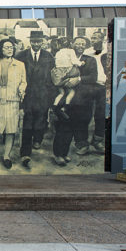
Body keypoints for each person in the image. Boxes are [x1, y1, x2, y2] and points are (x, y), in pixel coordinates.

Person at [52, 37, 97, 165]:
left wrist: (78, 79)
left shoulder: (90, 60)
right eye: (77, 43)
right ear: (72, 44)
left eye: (83, 44)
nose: (80, 45)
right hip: (65, 99)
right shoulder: (64, 56)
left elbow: (93, 77)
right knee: (62, 127)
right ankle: (58, 155)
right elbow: (55, 73)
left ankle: (64, 153)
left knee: (72, 129)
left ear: (86, 46)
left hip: (81, 100)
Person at [15, 31, 55, 169]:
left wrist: (51, 97)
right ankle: (25, 153)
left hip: (43, 94)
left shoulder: (49, 56)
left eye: (39, 41)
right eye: (34, 41)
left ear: (43, 42)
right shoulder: (21, 56)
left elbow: (52, 77)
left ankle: (38, 138)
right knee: (27, 121)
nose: (36, 44)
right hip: (27, 94)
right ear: (30, 41)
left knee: (41, 119)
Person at [0, 39, 27, 169]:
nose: (9, 49)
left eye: (11, 47)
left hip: (12, 98)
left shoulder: (20, 64)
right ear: (1, 49)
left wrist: (22, 89)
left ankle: (6, 156)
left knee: (11, 128)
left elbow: (23, 81)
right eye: (6, 47)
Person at [84, 31, 108, 153]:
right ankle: (83, 143)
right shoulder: (87, 52)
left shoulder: (107, 52)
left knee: (100, 115)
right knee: (86, 114)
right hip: (89, 86)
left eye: (96, 37)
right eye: (92, 37)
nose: (93, 39)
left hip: (103, 87)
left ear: (102, 39)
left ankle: (97, 141)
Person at [51, 37, 84, 119]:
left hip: (58, 74)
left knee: (61, 93)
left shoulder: (58, 53)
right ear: (70, 44)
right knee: (71, 91)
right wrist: (81, 63)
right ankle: (65, 107)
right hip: (68, 73)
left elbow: (56, 63)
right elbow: (74, 61)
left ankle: (54, 107)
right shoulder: (71, 51)